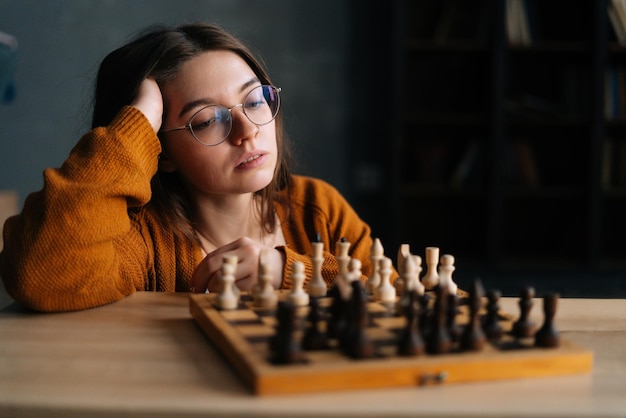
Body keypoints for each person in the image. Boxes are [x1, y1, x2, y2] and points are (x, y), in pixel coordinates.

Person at [0, 23, 383, 312]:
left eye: (254, 100)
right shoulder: (142, 241)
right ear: (159, 151)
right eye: (206, 120)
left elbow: (406, 296)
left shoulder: (318, 208)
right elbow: (40, 272)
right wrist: (139, 117)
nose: (248, 131)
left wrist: (286, 269)